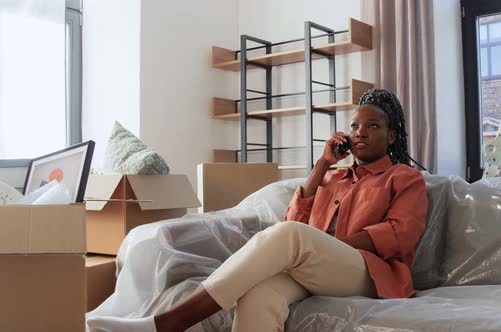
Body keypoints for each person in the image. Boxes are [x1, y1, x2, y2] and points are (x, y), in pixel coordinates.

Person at [87, 88, 429, 332]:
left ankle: (170, 322)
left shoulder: (404, 178)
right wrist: (323, 164)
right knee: (259, 295)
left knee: (293, 238)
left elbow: (400, 234)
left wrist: (332, 247)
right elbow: (294, 221)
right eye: (354, 125)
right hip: (317, 268)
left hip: (369, 275)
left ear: (392, 136)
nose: (360, 132)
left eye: (372, 126)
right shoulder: (333, 177)